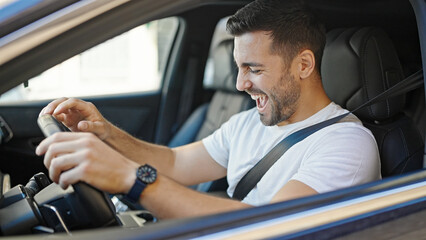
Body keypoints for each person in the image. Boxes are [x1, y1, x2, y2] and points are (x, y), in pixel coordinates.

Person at [36, 0, 381, 219]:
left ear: (303, 65)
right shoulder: (248, 123)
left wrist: (131, 178)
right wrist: (106, 132)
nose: (239, 84)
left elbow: (270, 224)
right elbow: (174, 163)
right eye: (238, 68)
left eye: (254, 69)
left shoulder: (346, 144)